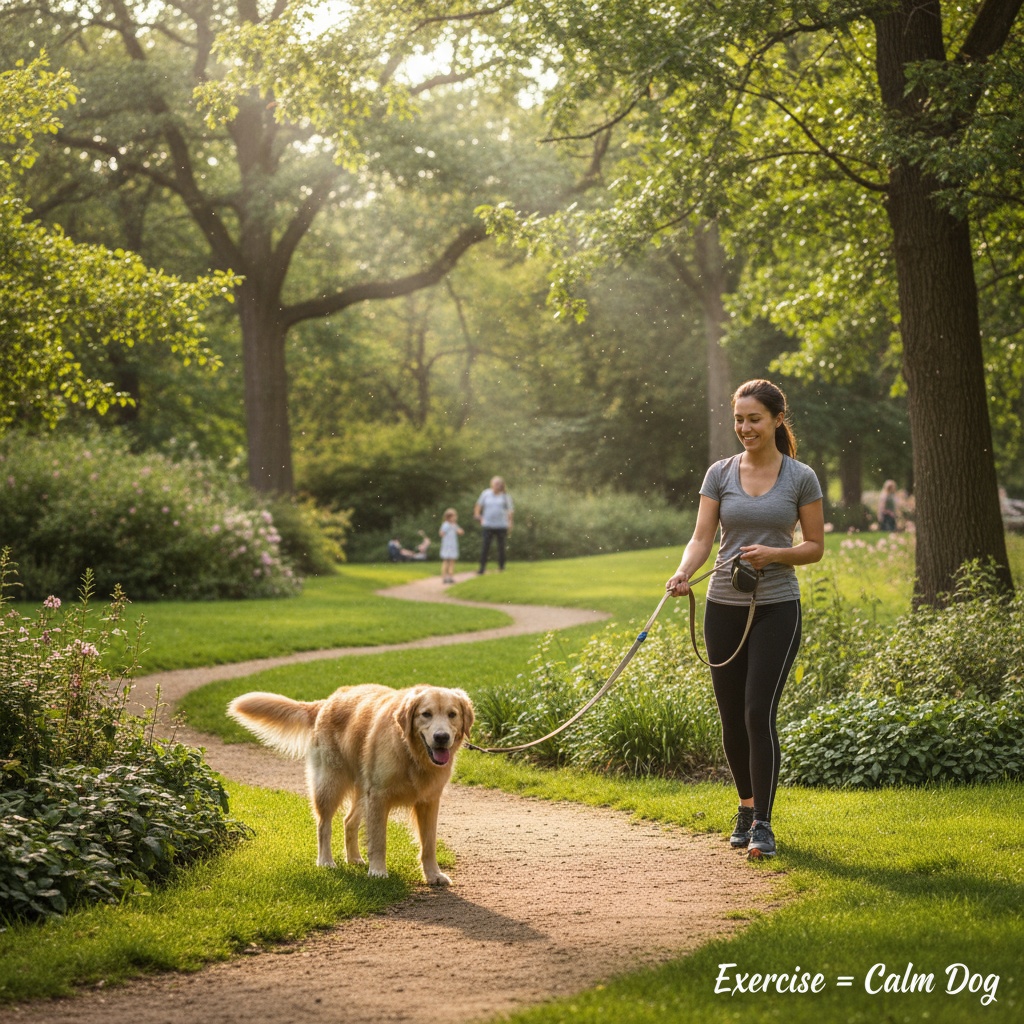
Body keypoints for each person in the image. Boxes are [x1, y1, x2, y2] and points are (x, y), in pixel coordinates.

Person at [665, 379, 824, 860]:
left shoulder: (801, 477)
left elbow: (814, 547)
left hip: (778, 608)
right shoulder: (720, 473)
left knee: (758, 713)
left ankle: (763, 824)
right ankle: (745, 806)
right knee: (731, 717)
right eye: (738, 418)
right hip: (723, 609)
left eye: (754, 418)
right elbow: (701, 537)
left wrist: (775, 554)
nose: (745, 427)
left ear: (777, 419)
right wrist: (682, 572)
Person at [474, 476, 514, 574]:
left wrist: (510, 523)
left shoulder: (505, 496)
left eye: (498, 484)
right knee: (485, 547)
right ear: (491, 484)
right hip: (488, 525)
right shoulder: (485, 494)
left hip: (501, 525)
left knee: (501, 547)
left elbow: (510, 511)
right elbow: (478, 505)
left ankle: (501, 567)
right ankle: (482, 568)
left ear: (501, 485)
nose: (497, 486)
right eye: (495, 483)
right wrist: (478, 516)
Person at [438, 507, 464, 584]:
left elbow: (460, 532)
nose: (455, 518)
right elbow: (441, 533)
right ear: (448, 517)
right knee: (446, 561)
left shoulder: (454, 525)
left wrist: (458, 529)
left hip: (453, 545)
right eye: (453, 516)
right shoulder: (446, 525)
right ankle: (444, 577)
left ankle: (450, 576)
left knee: (452, 561)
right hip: (447, 545)